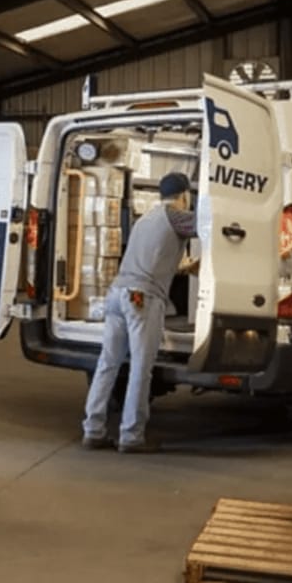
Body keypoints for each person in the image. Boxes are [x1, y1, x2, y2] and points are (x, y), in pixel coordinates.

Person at [82, 171, 199, 454]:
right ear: (184, 196)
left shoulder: (145, 219)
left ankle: (93, 430)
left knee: (107, 364)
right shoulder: (177, 215)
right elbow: (211, 227)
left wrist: (184, 267)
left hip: (118, 293)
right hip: (141, 299)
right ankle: (131, 436)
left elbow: (150, 259)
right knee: (140, 368)